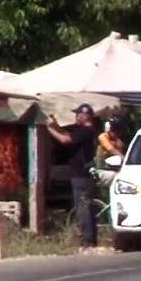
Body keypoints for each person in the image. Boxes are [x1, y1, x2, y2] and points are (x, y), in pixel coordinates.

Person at [47, 103, 100, 248]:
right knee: (85, 205)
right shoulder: (86, 132)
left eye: (78, 114)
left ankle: (87, 239)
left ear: (85, 116)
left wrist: (50, 128)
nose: (76, 117)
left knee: (83, 206)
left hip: (81, 174)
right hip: (83, 174)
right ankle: (90, 237)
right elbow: (68, 135)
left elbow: (65, 140)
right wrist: (56, 125)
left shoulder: (85, 131)